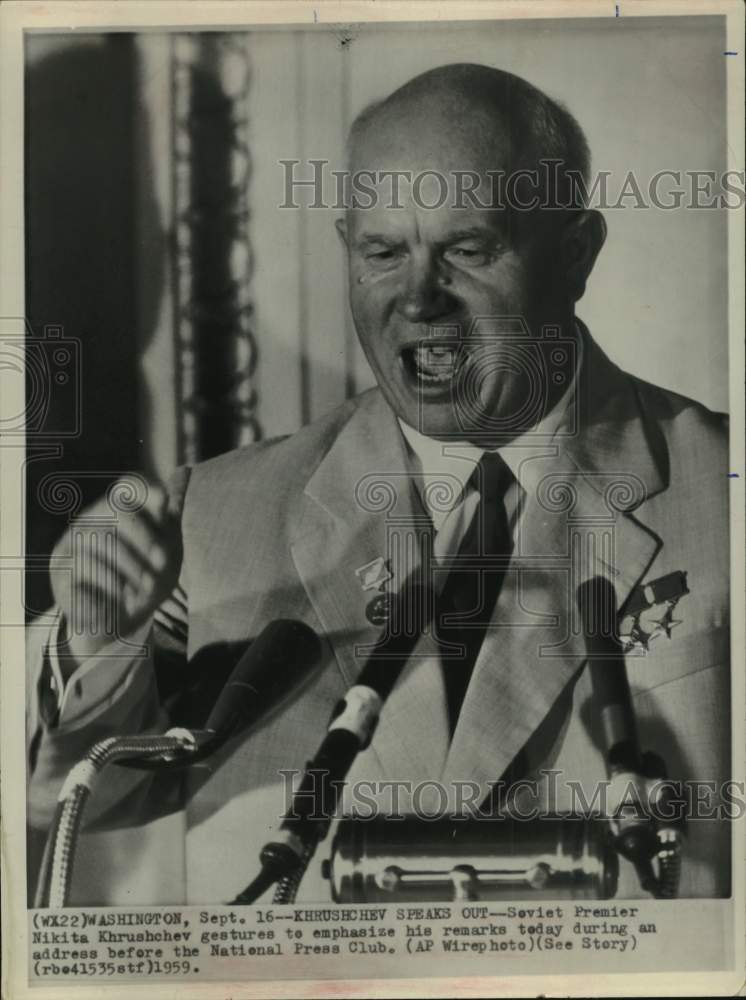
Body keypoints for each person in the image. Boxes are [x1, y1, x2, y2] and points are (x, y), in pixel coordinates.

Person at [26, 63, 730, 905]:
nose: (420, 298)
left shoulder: (723, 493)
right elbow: (75, 797)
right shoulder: (212, 514)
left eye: (468, 250)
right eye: (383, 252)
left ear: (576, 254)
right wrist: (94, 640)